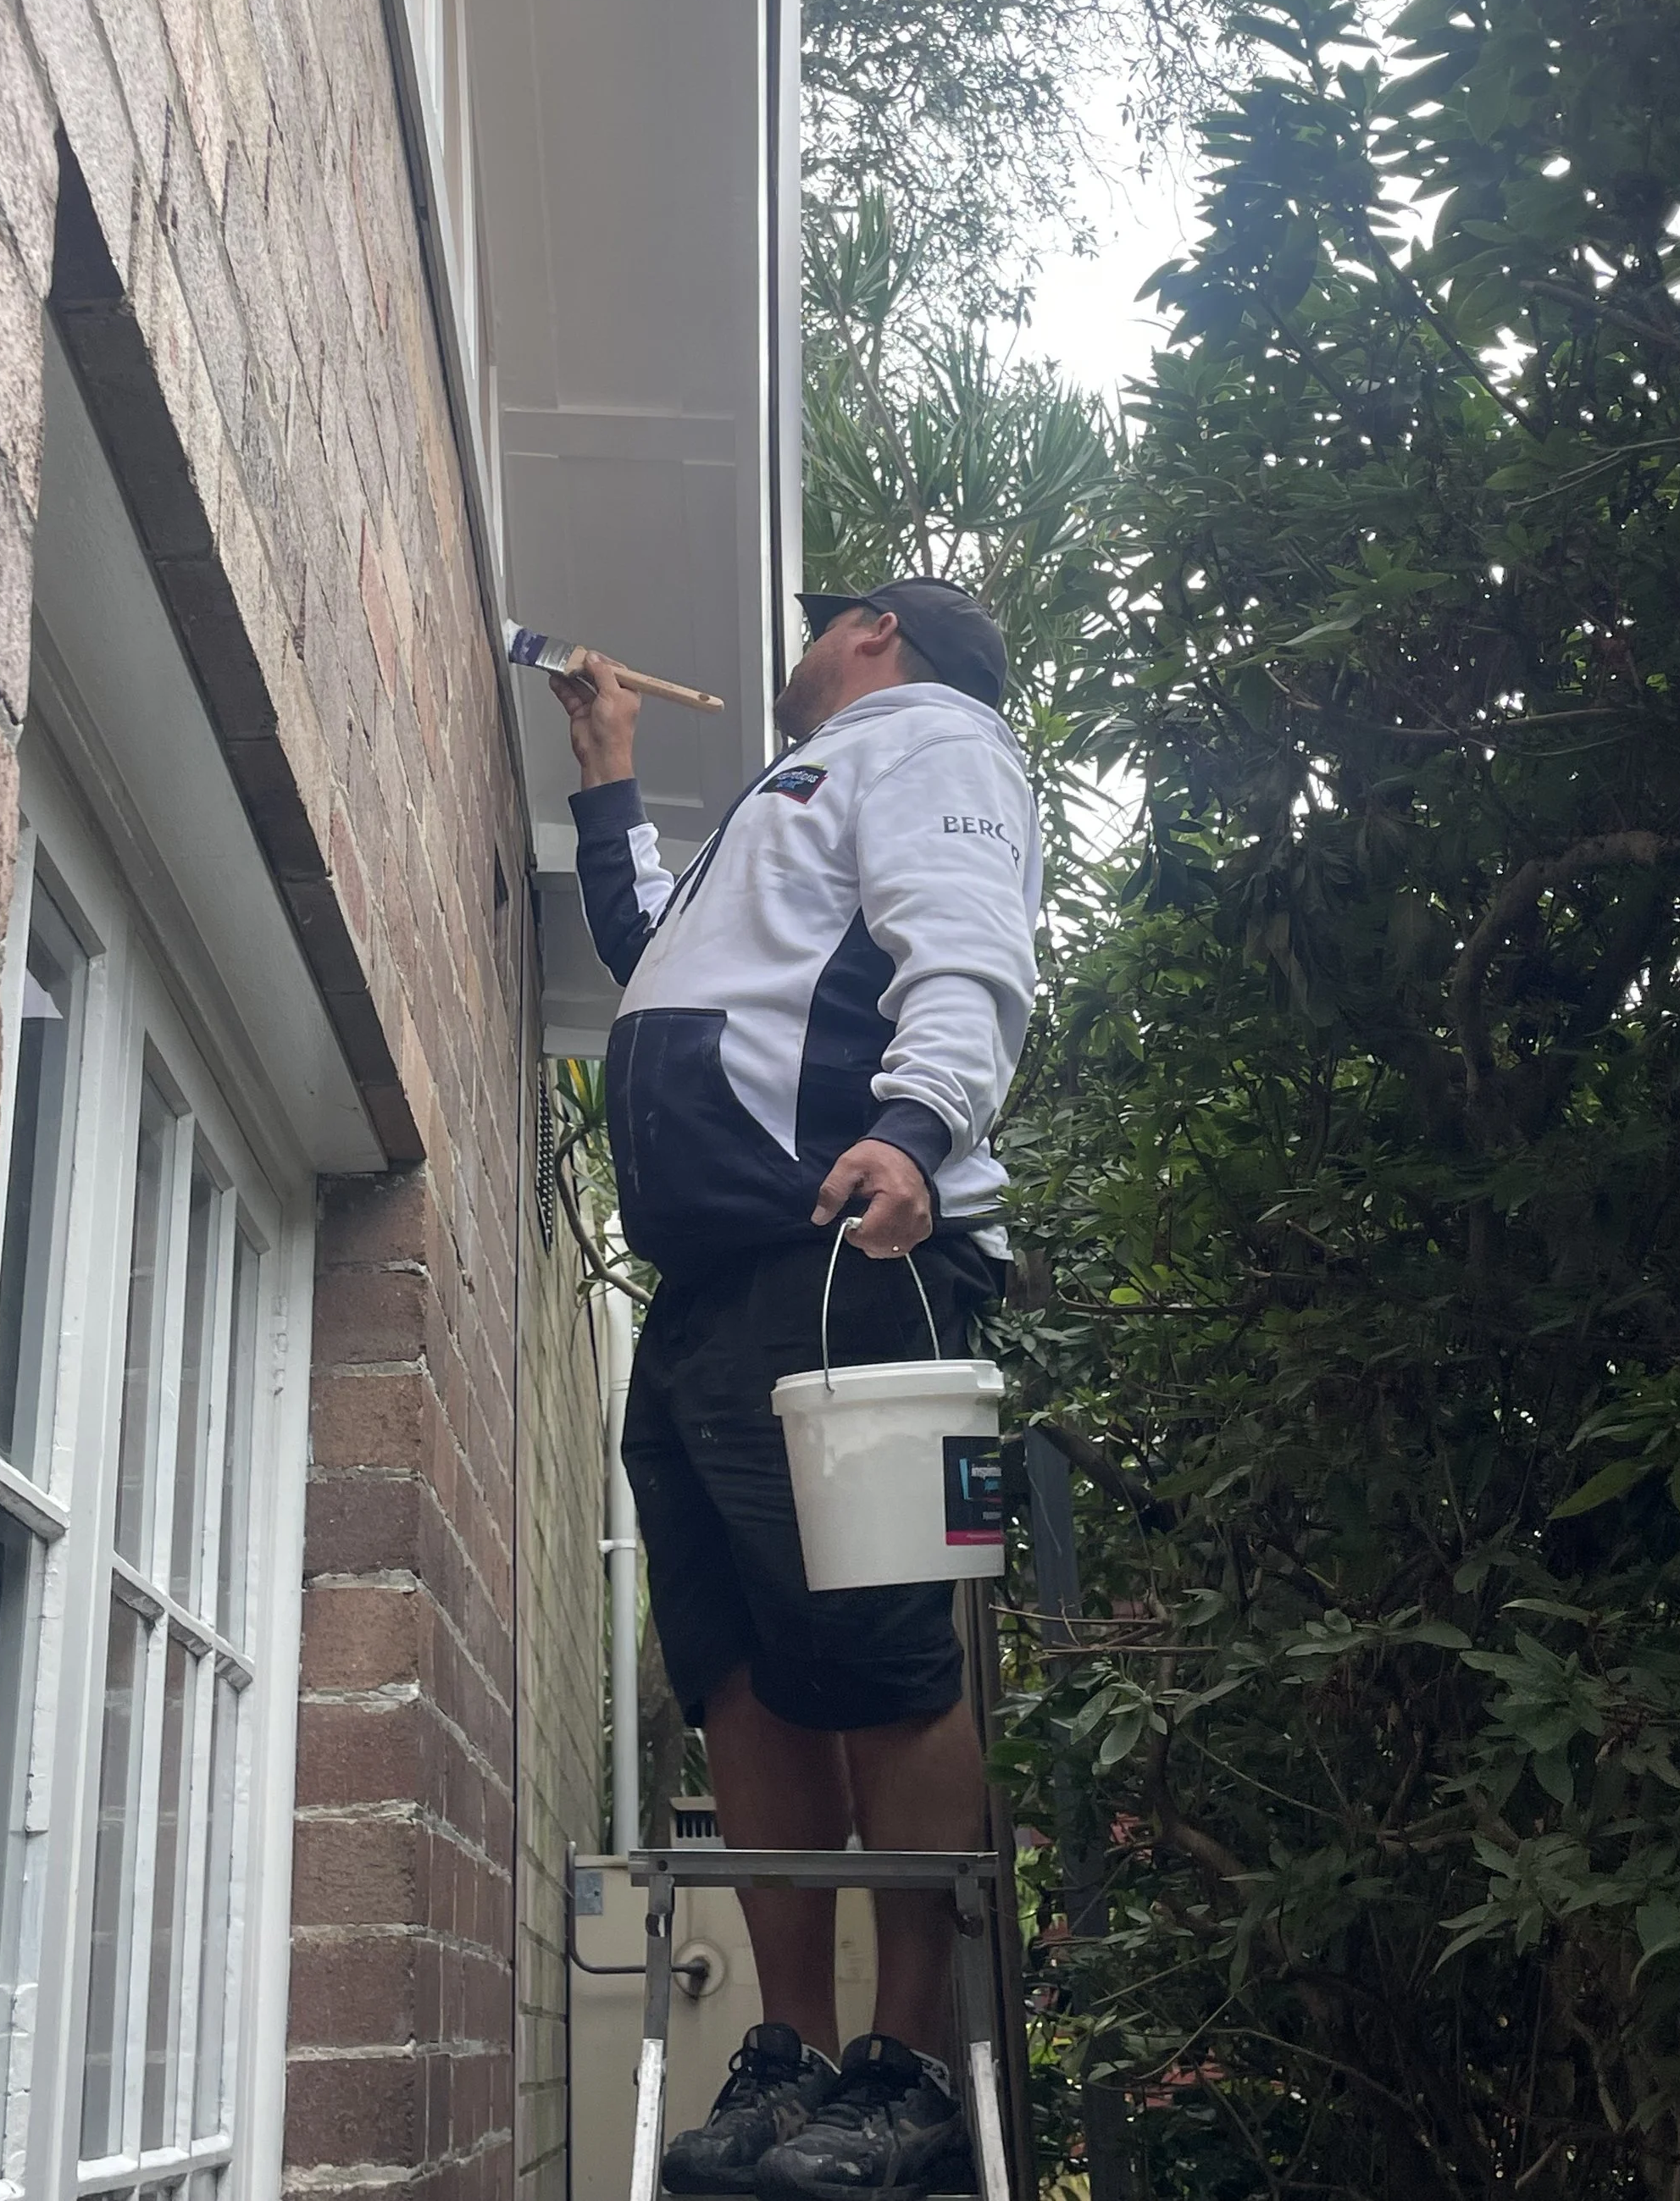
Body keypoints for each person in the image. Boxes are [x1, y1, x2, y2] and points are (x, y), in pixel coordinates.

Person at [552, 581, 1040, 2199]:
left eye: (822, 618)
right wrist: (606, 759)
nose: (801, 640)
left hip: (850, 1250)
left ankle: (906, 2062)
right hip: (714, 1293)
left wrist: (916, 1126)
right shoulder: (785, 801)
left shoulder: (930, 738)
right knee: (744, 1670)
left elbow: (967, 941)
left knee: (889, 1652)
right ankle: (794, 2055)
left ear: (879, 631)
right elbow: (645, 947)